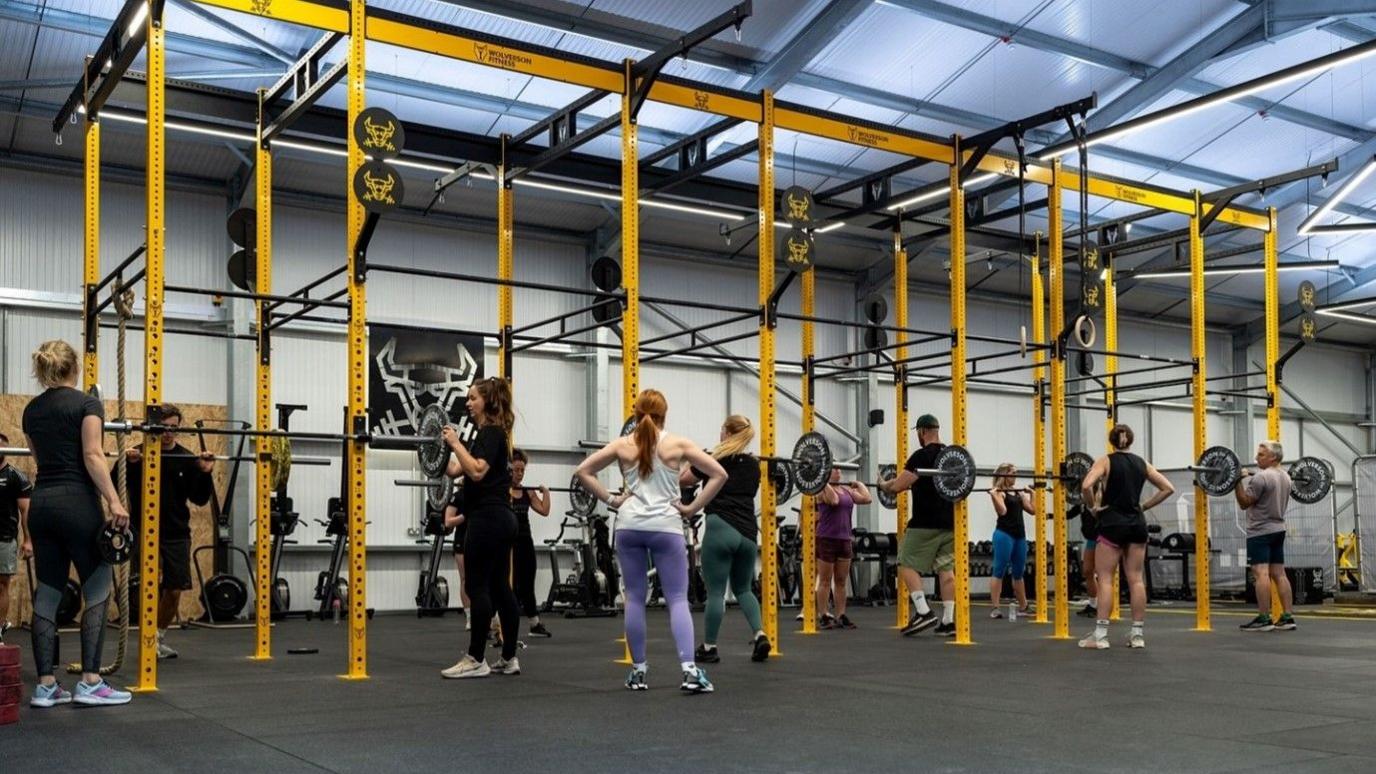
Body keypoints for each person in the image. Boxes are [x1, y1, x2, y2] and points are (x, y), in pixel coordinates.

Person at [577, 389, 726, 693]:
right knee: (676, 599)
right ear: (664, 415)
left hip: (629, 525)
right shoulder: (677, 444)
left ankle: (638, 672)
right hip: (666, 526)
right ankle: (689, 671)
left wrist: (613, 500)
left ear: (635, 414)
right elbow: (719, 474)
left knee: (634, 598)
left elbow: (583, 471)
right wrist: (691, 508)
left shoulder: (622, 445)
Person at [21, 340, 132, 706]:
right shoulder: (87, 403)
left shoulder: (31, 411)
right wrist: (114, 499)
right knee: (97, 589)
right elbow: (92, 454)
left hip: (42, 505)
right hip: (77, 503)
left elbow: (39, 459)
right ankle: (90, 681)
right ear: (74, 369)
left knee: (48, 594)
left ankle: (46, 685)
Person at [439, 379, 522, 679]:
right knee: (500, 587)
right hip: (501, 519)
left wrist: (455, 443)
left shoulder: (490, 432)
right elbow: (454, 469)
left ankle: (476, 658)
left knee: (476, 586)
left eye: (473, 398)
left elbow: (475, 471)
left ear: (487, 401)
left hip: (487, 519)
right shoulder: (489, 435)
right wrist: (436, 448)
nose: (468, 403)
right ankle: (509, 657)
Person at [122, 405, 214, 659]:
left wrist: (205, 474)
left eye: (174, 428)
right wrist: (128, 466)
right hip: (144, 531)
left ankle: (158, 638)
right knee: (149, 584)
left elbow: (200, 498)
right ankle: (146, 639)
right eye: (163, 427)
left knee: (174, 590)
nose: (168, 433)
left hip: (176, 532)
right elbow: (116, 485)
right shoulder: (138, 455)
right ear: (154, 428)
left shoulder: (186, 458)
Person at [681, 415, 769, 664]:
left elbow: (685, 479)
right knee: (743, 589)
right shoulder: (754, 465)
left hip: (721, 528)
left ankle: (709, 647)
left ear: (728, 434)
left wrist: (692, 459)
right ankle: (760, 633)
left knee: (717, 593)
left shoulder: (713, 458)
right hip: (748, 533)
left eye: (722, 430)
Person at [1078, 423, 1174, 650]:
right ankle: (1137, 635)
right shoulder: (1142, 463)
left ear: (1112, 441)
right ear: (1130, 440)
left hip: (1112, 523)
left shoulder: (1105, 460)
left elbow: (1085, 485)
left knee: (1106, 579)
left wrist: (1092, 507)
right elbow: (1168, 487)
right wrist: (1143, 506)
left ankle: (1100, 636)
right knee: (1136, 579)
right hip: (1137, 525)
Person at [880, 414, 955, 637]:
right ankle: (948, 621)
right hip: (950, 524)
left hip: (924, 523)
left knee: (904, 563)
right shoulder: (952, 457)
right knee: (946, 571)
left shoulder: (921, 456)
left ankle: (923, 611)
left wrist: (883, 484)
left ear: (922, 432)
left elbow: (898, 486)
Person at [1235, 440, 1297, 632]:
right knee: (1279, 573)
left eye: (1261, 454)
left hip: (1260, 531)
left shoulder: (1261, 478)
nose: (1256, 457)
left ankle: (1264, 618)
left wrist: (1236, 481)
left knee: (1260, 573)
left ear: (1273, 457)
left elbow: (1245, 502)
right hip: (1279, 529)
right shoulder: (1286, 477)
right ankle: (1287, 616)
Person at [816, 467, 871, 630]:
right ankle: (824, 615)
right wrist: (823, 481)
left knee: (841, 581)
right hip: (826, 539)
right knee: (825, 581)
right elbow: (834, 501)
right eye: (834, 469)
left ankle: (841, 615)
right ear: (827, 472)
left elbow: (867, 499)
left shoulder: (847, 491)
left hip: (845, 539)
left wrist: (859, 484)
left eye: (840, 469)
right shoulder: (821, 491)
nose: (839, 471)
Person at [509, 449, 552, 637]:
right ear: (508, 469)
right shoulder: (501, 491)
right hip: (508, 545)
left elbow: (544, 510)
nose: (519, 474)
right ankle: (498, 625)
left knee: (527, 584)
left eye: (522, 471)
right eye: (516, 470)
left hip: (525, 543)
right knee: (509, 585)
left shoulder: (527, 491)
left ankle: (535, 624)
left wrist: (546, 493)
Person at [988, 464, 1034, 619]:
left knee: (1018, 573)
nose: (1015, 476)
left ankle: (1024, 606)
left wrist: (1032, 493)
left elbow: (1033, 510)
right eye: (1012, 473)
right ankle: (995, 608)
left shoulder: (1018, 492)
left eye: (1016, 473)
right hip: (1004, 535)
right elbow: (1002, 511)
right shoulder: (1000, 493)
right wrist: (994, 495)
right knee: (999, 570)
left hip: (1019, 536)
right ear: (1004, 475)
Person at [0, 433, 33, 638]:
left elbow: (25, 512)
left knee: (1, 585)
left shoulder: (15, 477)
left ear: (6, 448)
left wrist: (29, 540)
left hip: (3, 539)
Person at [442, 479, 472, 630]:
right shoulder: (458, 496)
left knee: (483, 582)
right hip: (462, 543)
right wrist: (464, 516)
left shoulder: (484, 495)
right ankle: (470, 618)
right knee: (466, 579)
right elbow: (448, 522)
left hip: (481, 541)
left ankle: (488, 617)